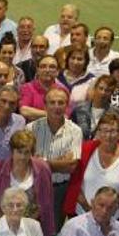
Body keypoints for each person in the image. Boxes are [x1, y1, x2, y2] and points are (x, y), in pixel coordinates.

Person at [64, 112, 119, 224]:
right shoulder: (84, 149)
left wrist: (104, 213)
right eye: (104, 130)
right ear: (98, 131)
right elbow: (74, 183)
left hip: (111, 219)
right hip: (81, 214)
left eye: (113, 131)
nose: (108, 135)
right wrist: (91, 210)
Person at [0, 129, 55, 236]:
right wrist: (9, 226)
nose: (23, 157)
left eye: (27, 152)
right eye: (19, 152)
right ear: (12, 151)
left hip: (32, 230)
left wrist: (25, 226)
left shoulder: (43, 169)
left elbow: (45, 203)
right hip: (1, 229)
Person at [28, 87, 83, 228]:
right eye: (52, 102)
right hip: (34, 187)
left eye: (61, 102)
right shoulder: (31, 129)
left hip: (60, 190)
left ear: (67, 105)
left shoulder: (75, 131)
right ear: (45, 105)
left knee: (54, 230)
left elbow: (71, 166)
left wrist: (42, 162)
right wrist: (61, 162)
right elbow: (27, 163)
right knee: (31, 228)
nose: (56, 107)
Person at [71, 75, 115, 140]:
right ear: (95, 88)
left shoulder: (115, 113)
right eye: (101, 88)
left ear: (111, 93)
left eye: (107, 90)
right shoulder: (79, 110)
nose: (103, 93)